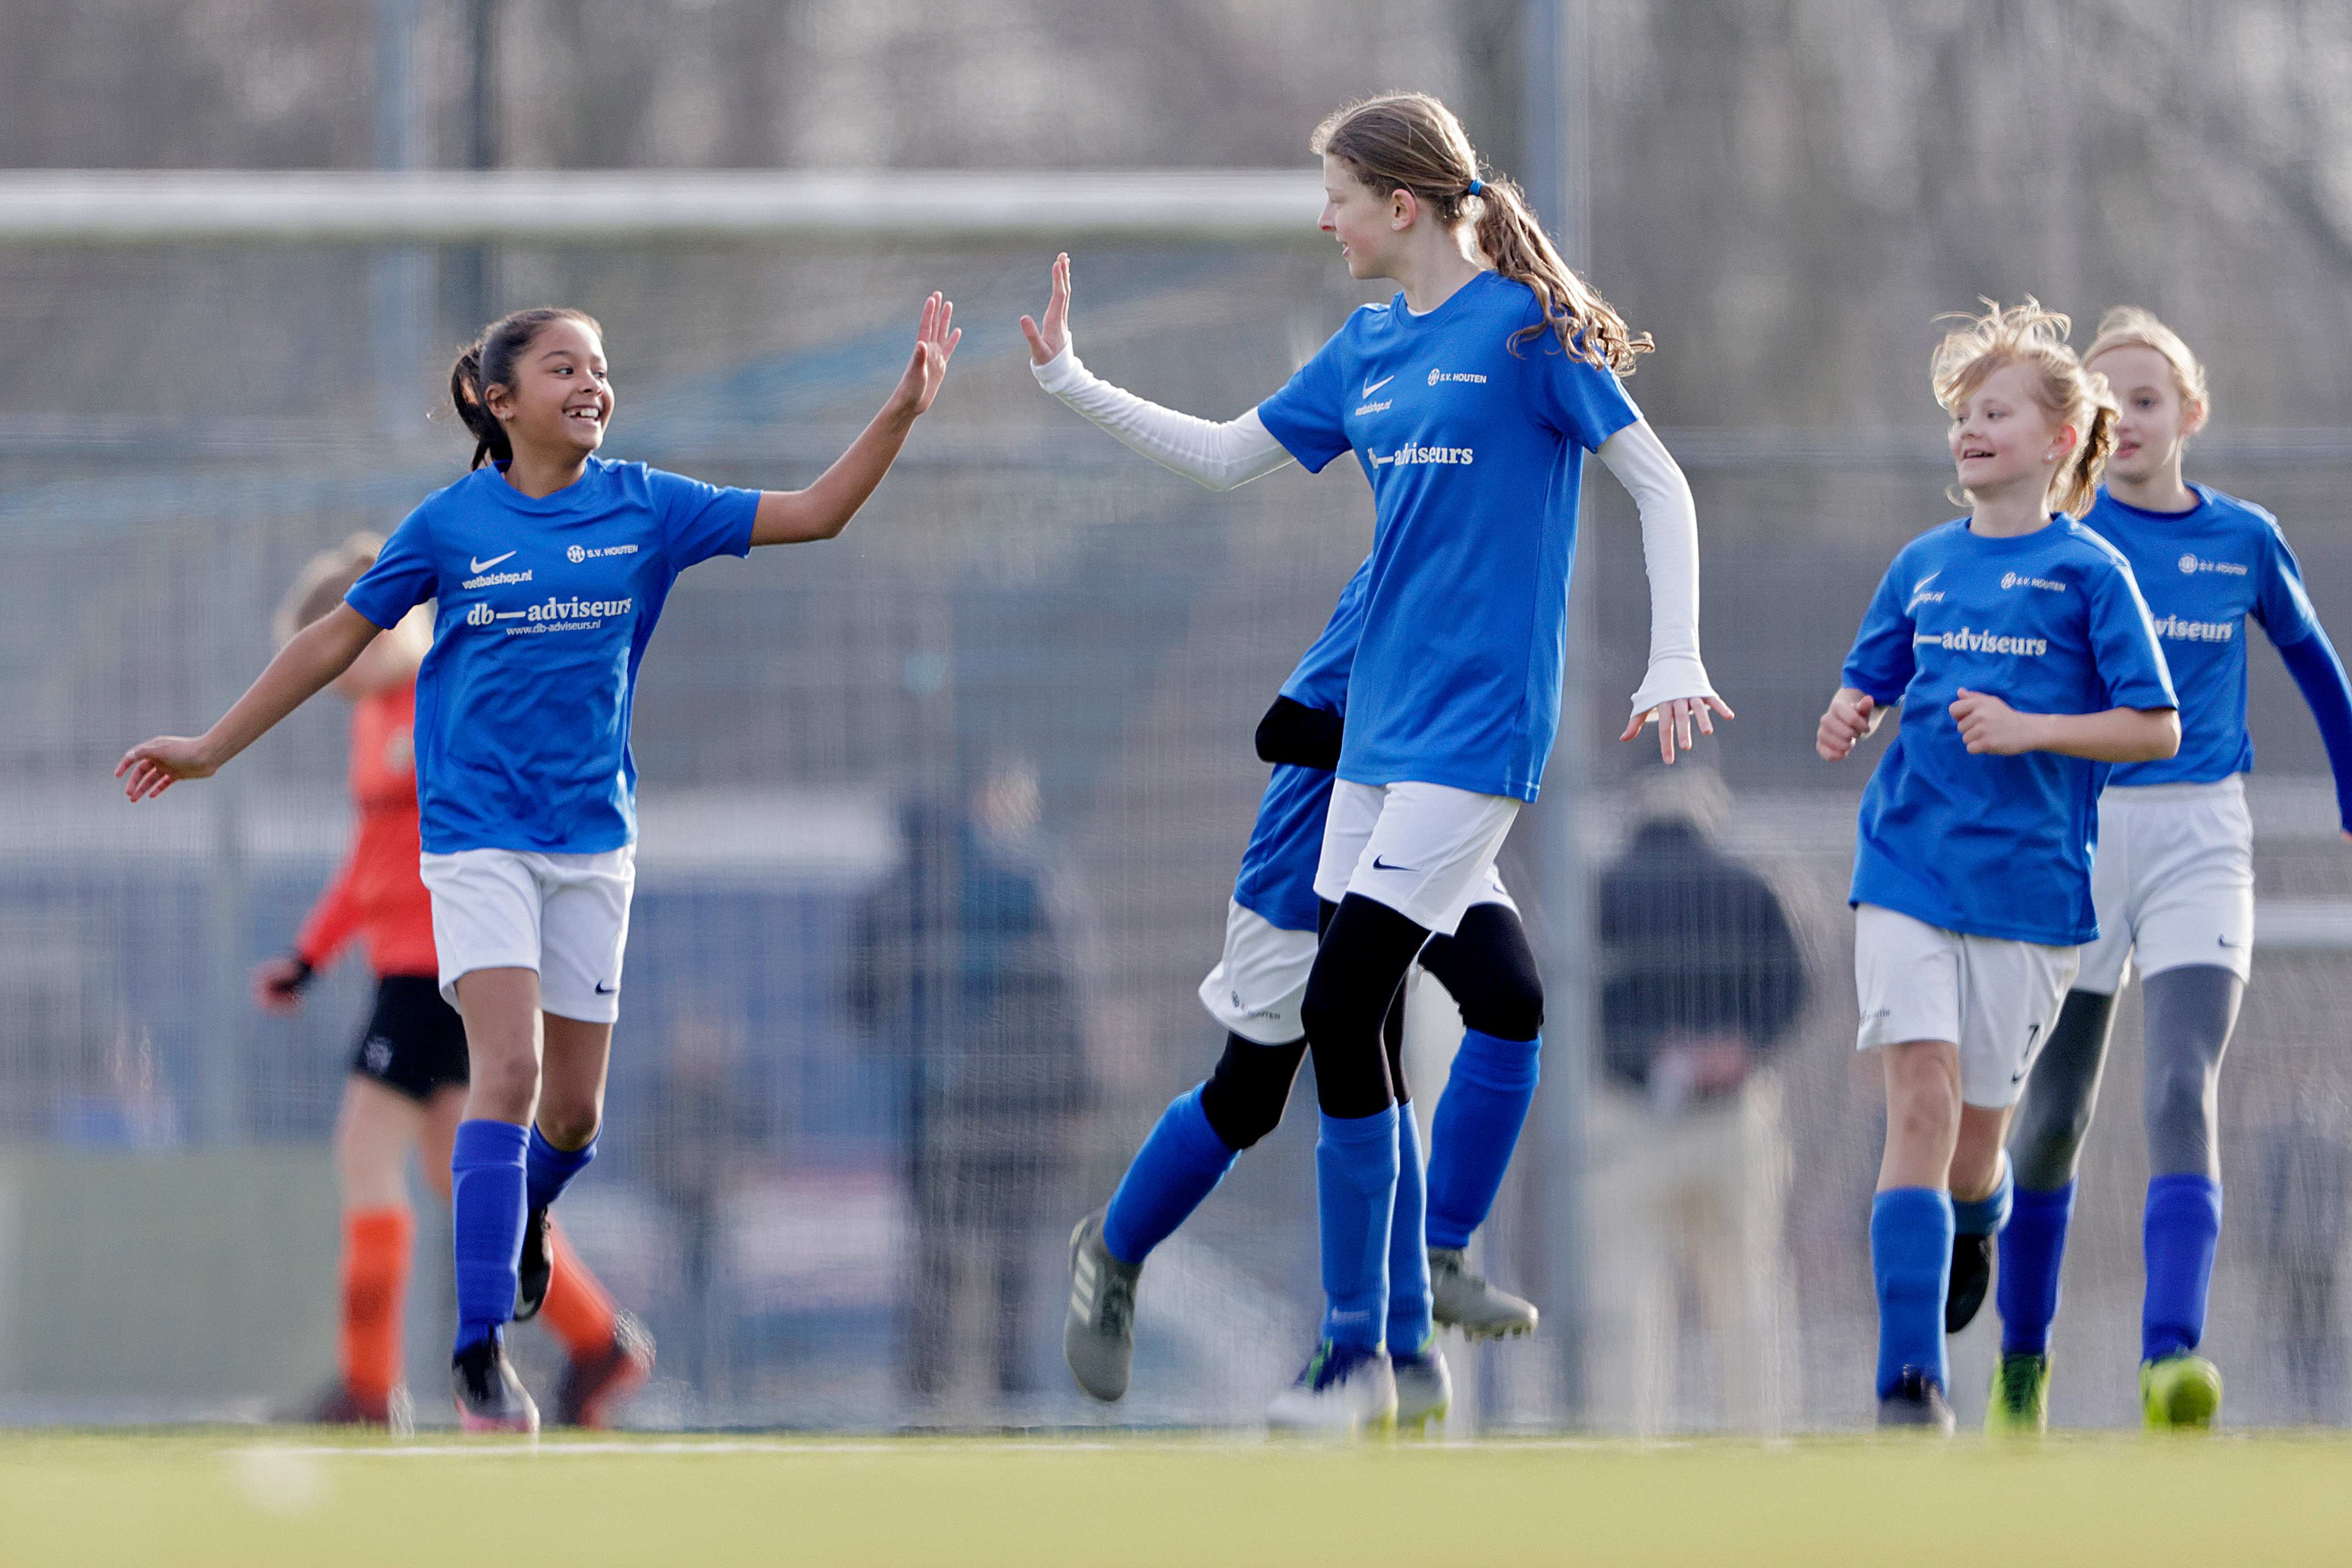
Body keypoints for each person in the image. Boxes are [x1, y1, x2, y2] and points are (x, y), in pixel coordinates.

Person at [120, 295, 960, 1432]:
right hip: (476, 844)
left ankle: (523, 1230)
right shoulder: (452, 523)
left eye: (601, 366)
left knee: (570, 1115)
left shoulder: (647, 505)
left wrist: (902, 409)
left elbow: (815, 512)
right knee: (503, 1075)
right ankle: (477, 1351)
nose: (591, 383)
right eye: (564, 366)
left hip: (592, 849)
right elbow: (335, 635)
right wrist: (213, 744)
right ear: (500, 399)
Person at [1019, 92, 1724, 1430]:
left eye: (1336, 194)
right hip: (1368, 743)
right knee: (1437, 1008)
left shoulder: (1524, 332)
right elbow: (1232, 458)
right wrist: (1071, 382)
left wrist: (1673, 656)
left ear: (1400, 204)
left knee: (1350, 1013)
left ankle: (1367, 1351)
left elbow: (1659, 481)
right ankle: (1399, 1318)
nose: (1322, 218)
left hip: (1473, 738)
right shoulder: (1364, 350)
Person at [1056, 557, 1548, 1433]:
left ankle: (1407, 1314)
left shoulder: (1512, 560)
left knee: (1502, 1000)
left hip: (1425, 847)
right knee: (1249, 1096)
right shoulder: (1407, 562)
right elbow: (1286, 727)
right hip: (1304, 867)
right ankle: (1114, 1245)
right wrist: (1419, 746)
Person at [1818, 299, 2179, 1432]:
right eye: (1962, 413)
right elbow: (1869, 677)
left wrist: (2028, 728)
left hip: (2028, 895)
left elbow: (2153, 727)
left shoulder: (2090, 576)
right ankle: (1909, 1377)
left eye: (1995, 410)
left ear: (2060, 439)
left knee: (1975, 1145)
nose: (1968, 428)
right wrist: (1847, 710)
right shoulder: (1920, 565)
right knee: (1913, 1104)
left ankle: (1973, 1215)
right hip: (1906, 869)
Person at [1988, 309, 2352, 1432]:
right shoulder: (2059, 541)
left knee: (2177, 1087)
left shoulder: (2240, 539)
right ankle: (2018, 1365)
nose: (2125, 419)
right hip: (2083, 835)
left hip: (2202, 836)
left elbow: (2313, 663)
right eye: (2102, 404)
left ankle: (2169, 1358)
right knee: (2049, 1116)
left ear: (2188, 413)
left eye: (2145, 398)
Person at [258, 535, 653, 1431]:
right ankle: (598, 1344)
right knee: (453, 1170)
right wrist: (312, 956)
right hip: (402, 967)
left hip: (447, 961)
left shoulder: (450, 689)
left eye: (341, 648)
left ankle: (367, 1387)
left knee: (366, 1150)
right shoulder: (371, 719)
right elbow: (371, 858)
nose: (331, 674)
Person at [845, 761, 1090, 1405]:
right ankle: (1014, 1393)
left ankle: (925, 1393)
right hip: (1020, 1108)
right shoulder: (1031, 882)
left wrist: (911, 1037)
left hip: (935, 1105)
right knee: (1013, 1263)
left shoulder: (902, 885)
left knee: (936, 1259)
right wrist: (1076, 1095)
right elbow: (1066, 996)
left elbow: (857, 997)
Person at [1584, 770, 1809, 1435]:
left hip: (1627, 1122)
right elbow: (1796, 982)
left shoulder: (1601, 890)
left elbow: (1572, 997)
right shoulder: (1752, 883)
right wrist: (1741, 1048)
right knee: (1747, 1292)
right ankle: (1760, 1434)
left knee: (1623, 1305)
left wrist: (1651, 1057)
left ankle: (1622, 1441)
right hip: (1734, 1116)